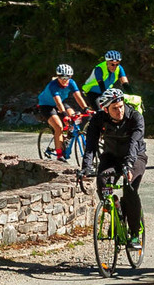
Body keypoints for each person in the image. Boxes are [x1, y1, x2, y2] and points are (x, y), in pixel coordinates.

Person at [86, 84, 147, 243]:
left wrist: (129, 164)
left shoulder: (135, 117)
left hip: (136, 156)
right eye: (115, 108)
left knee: (130, 188)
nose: (120, 111)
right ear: (106, 109)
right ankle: (117, 212)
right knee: (102, 182)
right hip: (111, 157)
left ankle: (135, 233)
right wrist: (86, 167)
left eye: (121, 106)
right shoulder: (98, 119)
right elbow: (91, 145)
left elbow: (134, 142)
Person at [37, 63, 90, 159]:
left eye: (67, 77)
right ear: (58, 77)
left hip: (61, 102)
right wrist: (65, 115)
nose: (65, 80)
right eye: (62, 77)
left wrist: (86, 109)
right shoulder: (53, 85)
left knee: (74, 116)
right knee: (58, 126)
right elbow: (58, 102)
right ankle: (59, 155)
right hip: (46, 105)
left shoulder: (71, 83)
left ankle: (67, 138)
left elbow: (78, 97)